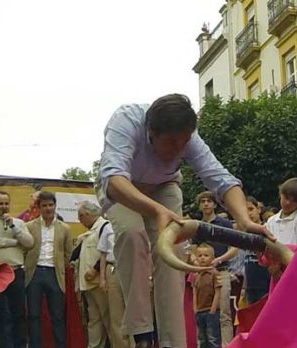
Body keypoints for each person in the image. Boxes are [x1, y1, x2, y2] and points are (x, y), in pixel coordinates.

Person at [97, 94, 267, 348]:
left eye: (183, 143)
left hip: (164, 186)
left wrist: (244, 219)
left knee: (172, 252)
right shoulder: (126, 122)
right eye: (171, 143)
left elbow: (221, 179)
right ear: (151, 132)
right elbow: (113, 178)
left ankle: (172, 342)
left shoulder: (189, 139)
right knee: (133, 235)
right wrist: (155, 210)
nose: (178, 150)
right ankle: (141, 333)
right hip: (124, 187)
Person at [0, 191, 34, 348]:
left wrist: (13, 227)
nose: (4, 207)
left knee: (18, 313)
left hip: (15, 271)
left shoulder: (18, 223)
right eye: (1, 204)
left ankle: (19, 345)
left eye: (6, 203)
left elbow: (29, 242)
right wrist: (12, 242)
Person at [23, 191, 73, 348]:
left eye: (50, 205)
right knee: (34, 316)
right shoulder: (29, 226)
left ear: (55, 206)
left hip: (55, 274)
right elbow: (24, 249)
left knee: (58, 316)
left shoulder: (65, 228)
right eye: (44, 205)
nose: (48, 208)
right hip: (34, 273)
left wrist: (60, 267)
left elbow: (68, 253)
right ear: (39, 207)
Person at [192, 191, 235, 345]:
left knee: (223, 313)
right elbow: (192, 250)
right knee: (201, 314)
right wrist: (197, 263)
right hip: (202, 274)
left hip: (222, 271)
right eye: (202, 201)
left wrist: (218, 260)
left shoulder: (225, 224)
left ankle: (227, 345)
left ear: (215, 204)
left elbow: (234, 248)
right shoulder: (197, 226)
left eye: (209, 201)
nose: (206, 204)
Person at [75, 201, 111, 348]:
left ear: (88, 214)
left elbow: (107, 252)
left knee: (109, 319)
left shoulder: (105, 227)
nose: (79, 220)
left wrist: (95, 269)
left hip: (100, 282)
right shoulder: (89, 232)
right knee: (94, 320)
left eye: (80, 216)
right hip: (89, 284)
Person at [95, 204, 130, 348]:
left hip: (131, 268)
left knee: (134, 312)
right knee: (116, 315)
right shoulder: (107, 227)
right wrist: (102, 278)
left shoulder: (135, 224)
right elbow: (103, 254)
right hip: (112, 269)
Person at [192, 244, 222, 348]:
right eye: (199, 255)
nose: (202, 258)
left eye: (206, 255)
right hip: (200, 312)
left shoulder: (214, 274)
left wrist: (213, 309)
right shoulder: (197, 275)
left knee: (213, 338)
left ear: (212, 258)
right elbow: (194, 292)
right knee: (202, 338)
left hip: (211, 311)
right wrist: (195, 308)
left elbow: (218, 291)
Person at [266, 178, 297, 246]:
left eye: (294, 201)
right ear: (281, 194)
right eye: (286, 197)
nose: (288, 203)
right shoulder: (271, 221)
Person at [242, 196, 270, 304]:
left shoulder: (267, 228)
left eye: (251, 209)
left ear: (258, 209)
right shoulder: (246, 232)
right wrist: (244, 287)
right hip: (250, 284)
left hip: (266, 283)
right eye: (245, 211)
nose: (249, 214)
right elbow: (245, 259)